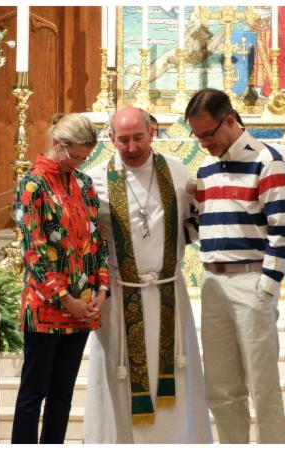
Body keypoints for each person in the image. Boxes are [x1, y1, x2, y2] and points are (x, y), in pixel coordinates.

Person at [83, 107, 212, 443]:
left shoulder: (177, 172)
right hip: (120, 296)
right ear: (110, 139)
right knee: (117, 377)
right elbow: (87, 243)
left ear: (152, 132)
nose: (131, 146)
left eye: (138, 137)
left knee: (177, 378)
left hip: (170, 293)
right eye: (123, 140)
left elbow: (195, 227)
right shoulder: (95, 181)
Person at [186, 88, 285, 444]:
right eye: (197, 136)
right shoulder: (206, 167)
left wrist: (266, 287)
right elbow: (196, 227)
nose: (203, 143)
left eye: (208, 134)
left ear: (230, 120)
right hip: (212, 284)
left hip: (251, 280)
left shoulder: (268, 161)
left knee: (262, 385)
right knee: (220, 387)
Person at [10, 113, 109, 444]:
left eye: (84, 158)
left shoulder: (83, 183)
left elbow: (96, 241)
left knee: (63, 395)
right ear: (57, 144)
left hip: (82, 307)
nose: (78, 163)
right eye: (74, 156)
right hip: (45, 307)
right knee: (33, 394)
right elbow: (34, 251)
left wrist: (101, 290)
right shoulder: (32, 185)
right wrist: (66, 299)